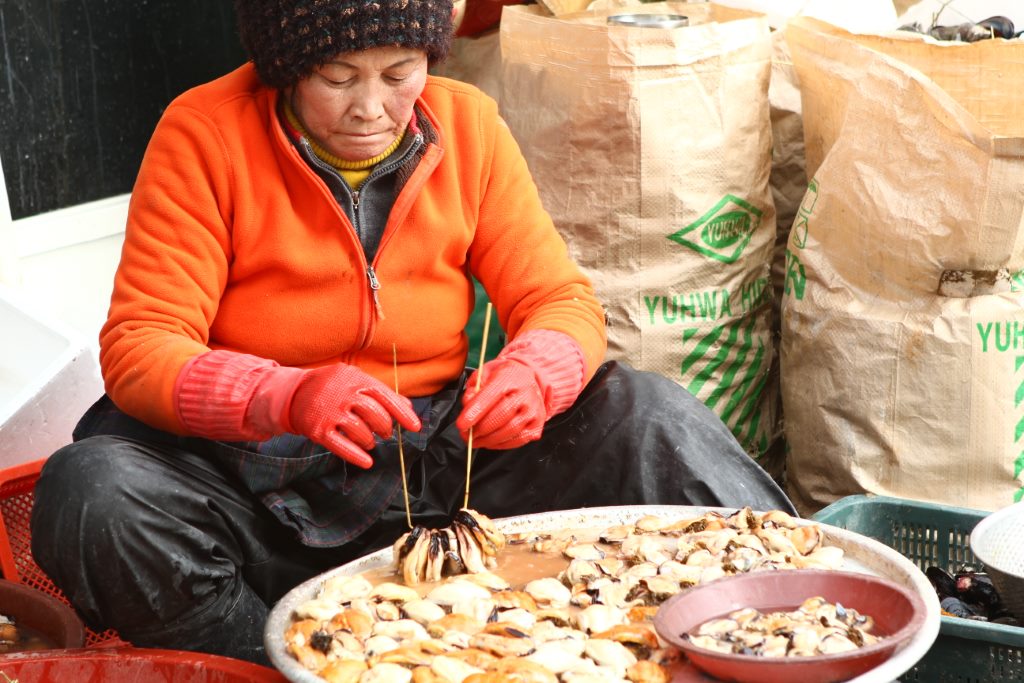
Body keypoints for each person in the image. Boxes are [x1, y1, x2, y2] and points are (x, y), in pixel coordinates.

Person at [29, 0, 794, 666]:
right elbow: (140, 347)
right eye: (337, 77)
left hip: (444, 465)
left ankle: (803, 611)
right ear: (285, 68)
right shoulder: (204, 134)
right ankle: (287, 658)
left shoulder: (468, 126)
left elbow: (560, 300)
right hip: (259, 481)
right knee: (93, 491)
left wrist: (536, 372)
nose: (371, 107)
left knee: (649, 415)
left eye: (401, 73)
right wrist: (283, 394)